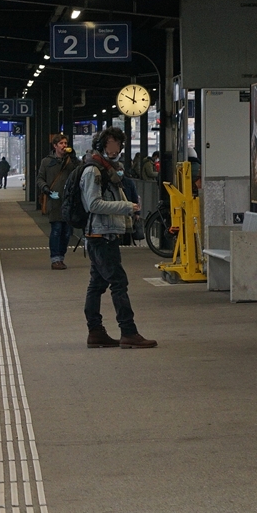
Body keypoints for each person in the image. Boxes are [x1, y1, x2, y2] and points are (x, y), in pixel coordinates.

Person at [81, 126, 157, 349]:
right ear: (101, 145)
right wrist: (126, 206)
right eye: (110, 144)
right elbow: (93, 204)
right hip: (100, 235)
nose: (115, 149)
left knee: (97, 284)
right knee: (118, 283)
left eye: (119, 145)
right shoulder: (93, 171)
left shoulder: (109, 170)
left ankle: (95, 333)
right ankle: (128, 332)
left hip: (104, 233)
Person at [36, 133, 78, 270]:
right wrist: (47, 190)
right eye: (61, 143)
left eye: (65, 143)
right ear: (55, 146)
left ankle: (61, 257)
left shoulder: (70, 162)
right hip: (54, 201)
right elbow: (40, 179)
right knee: (56, 229)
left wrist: (74, 159)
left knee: (66, 232)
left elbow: (80, 172)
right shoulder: (46, 162)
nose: (64, 146)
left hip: (68, 201)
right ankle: (55, 259)